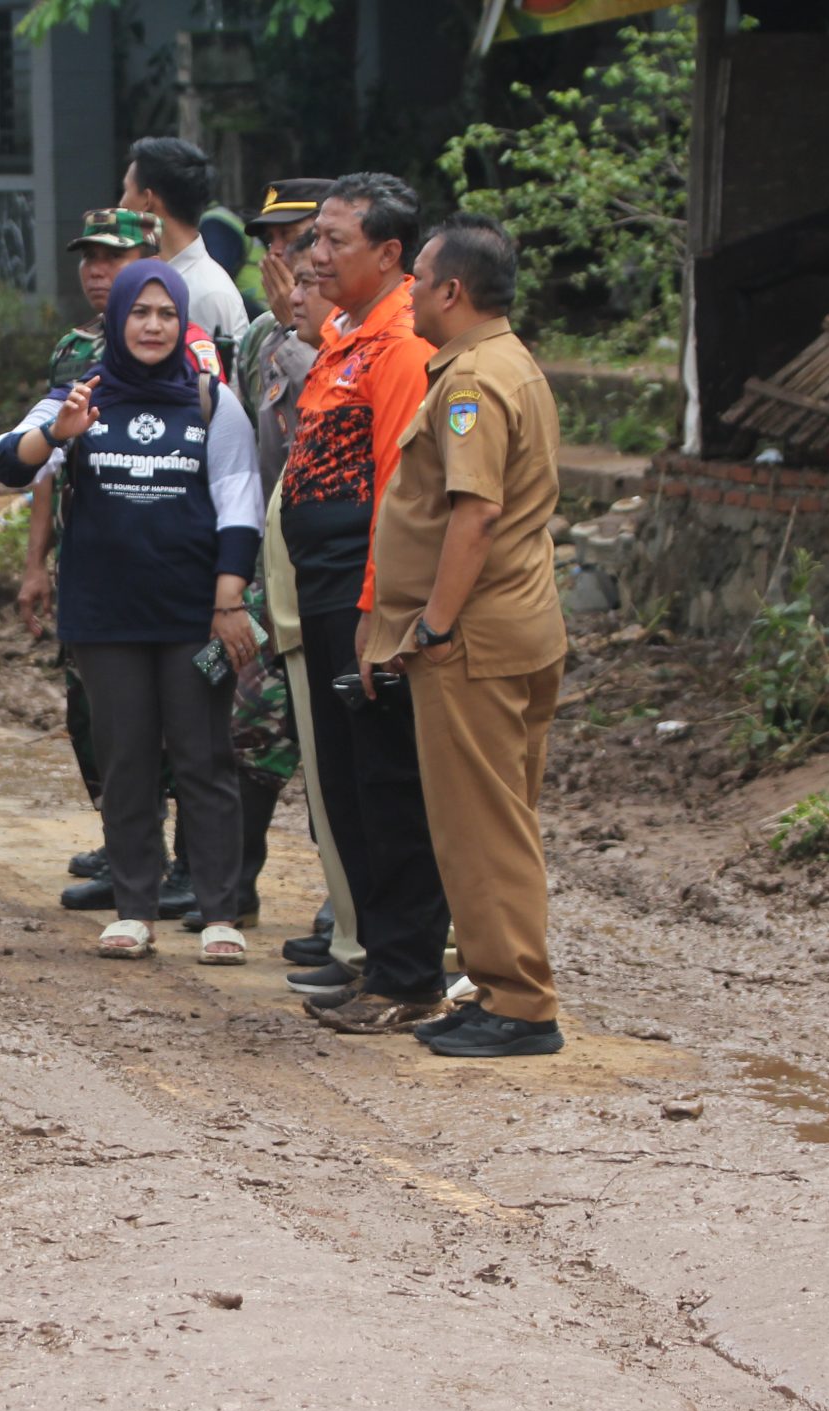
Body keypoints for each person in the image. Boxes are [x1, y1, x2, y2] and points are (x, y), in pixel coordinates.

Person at [0, 259, 260, 964]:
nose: (150, 325)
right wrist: (59, 433)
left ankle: (219, 909)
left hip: (192, 617)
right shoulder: (80, 397)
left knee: (204, 759)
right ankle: (135, 906)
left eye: (164, 313)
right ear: (117, 322)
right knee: (127, 759)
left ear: (181, 321)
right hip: (105, 616)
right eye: (139, 313)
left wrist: (229, 597)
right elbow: (6, 465)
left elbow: (239, 499)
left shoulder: (210, 399)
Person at [368, 214, 566, 1059]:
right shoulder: (510, 363)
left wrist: (434, 626)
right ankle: (503, 988)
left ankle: (517, 1001)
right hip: (521, 622)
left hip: (475, 638)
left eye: (417, 276)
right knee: (503, 817)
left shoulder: (470, 384)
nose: (408, 288)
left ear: (452, 291)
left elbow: (475, 515)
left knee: (479, 824)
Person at [280, 172, 448, 1036]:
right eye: (316, 239)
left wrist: (383, 618)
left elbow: (399, 489)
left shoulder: (403, 348)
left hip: (363, 598)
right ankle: (381, 961)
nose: (316, 255)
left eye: (333, 240)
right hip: (327, 592)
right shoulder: (348, 338)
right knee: (345, 786)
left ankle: (412, 971)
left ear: (389, 254)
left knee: (386, 785)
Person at [239, 178, 361, 978]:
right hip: (272, 563)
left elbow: (336, 414)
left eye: (299, 240)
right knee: (256, 728)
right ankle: (229, 879)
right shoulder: (255, 339)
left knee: (340, 746)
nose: (284, 259)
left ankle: (345, 898)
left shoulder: (353, 337)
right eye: (273, 243)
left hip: (339, 569)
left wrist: (302, 330)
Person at [121, 136, 247, 351]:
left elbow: (223, 382)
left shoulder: (208, 293)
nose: (121, 204)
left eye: (126, 191)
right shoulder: (154, 275)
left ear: (147, 200)